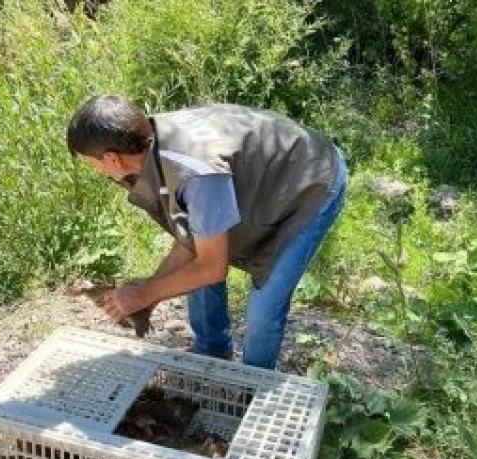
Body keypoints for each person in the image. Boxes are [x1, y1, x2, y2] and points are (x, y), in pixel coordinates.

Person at [66, 95, 348, 370]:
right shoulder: (145, 143)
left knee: (265, 306)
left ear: (112, 159)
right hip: (259, 179)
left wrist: (146, 294)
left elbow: (211, 267)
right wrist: (147, 293)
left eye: (91, 163)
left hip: (309, 181)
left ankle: (253, 382)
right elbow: (191, 242)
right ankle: (212, 352)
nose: (94, 170)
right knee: (197, 265)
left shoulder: (195, 173)